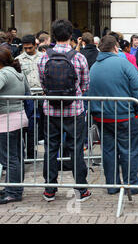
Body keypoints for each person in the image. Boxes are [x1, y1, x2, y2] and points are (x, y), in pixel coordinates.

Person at [38, 19, 91, 202]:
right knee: (76, 149)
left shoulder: (44, 57)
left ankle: (50, 189)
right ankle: (81, 189)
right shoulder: (78, 57)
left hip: (51, 110)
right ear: (71, 36)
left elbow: (42, 82)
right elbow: (85, 85)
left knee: (51, 149)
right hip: (74, 110)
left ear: (53, 36)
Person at [88, 35, 138, 195]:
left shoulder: (94, 67)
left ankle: (112, 185)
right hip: (124, 114)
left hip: (101, 116)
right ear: (116, 48)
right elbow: (137, 89)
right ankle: (131, 184)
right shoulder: (123, 64)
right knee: (130, 150)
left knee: (108, 150)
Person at [0, 47, 30, 204]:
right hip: (19, 117)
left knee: (10, 158)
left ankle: (13, 192)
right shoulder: (17, 72)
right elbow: (28, 91)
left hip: (6, 121)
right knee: (17, 156)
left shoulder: (4, 73)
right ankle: (15, 188)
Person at [15, 35, 44, 159]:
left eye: (30, 48)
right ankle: (30, 153)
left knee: (45, 124)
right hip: (28, 98)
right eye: (25, 48)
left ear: (35, 45)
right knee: (30, 126)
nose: (27, 50)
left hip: (42, 95)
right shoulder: (18, 60)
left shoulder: (43, 57)